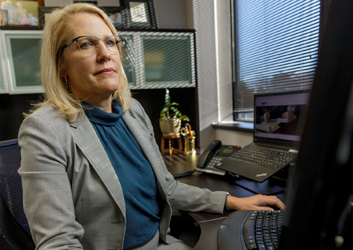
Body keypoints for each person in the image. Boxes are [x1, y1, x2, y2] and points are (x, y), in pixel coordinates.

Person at [18, 3, 285, 250]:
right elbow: (58, 243)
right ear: (61, 64)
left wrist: (231, 201)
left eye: (111, 42)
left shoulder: (133, 111)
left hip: (162, 242)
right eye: (86, 44)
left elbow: (167, 187)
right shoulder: (45, 129)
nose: (104, 54)